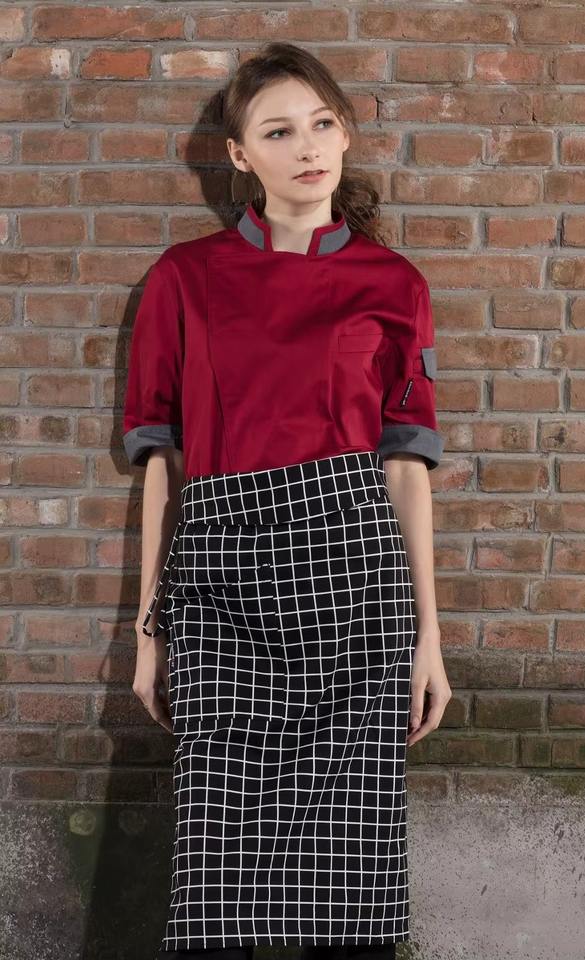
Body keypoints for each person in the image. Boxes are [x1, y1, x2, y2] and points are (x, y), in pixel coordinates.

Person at [122, 40, 452, 960]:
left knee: (353, 897)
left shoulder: (395, 284)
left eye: (321, 123)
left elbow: (405, 471)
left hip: (356, 586)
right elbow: (163, 464)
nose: (307, 147)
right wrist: (149, 632)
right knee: (214, 894)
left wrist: (428, 638)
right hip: (221, 582)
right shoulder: (184, 279)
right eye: (278, 131)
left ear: (343, 135)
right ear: (240, 155)